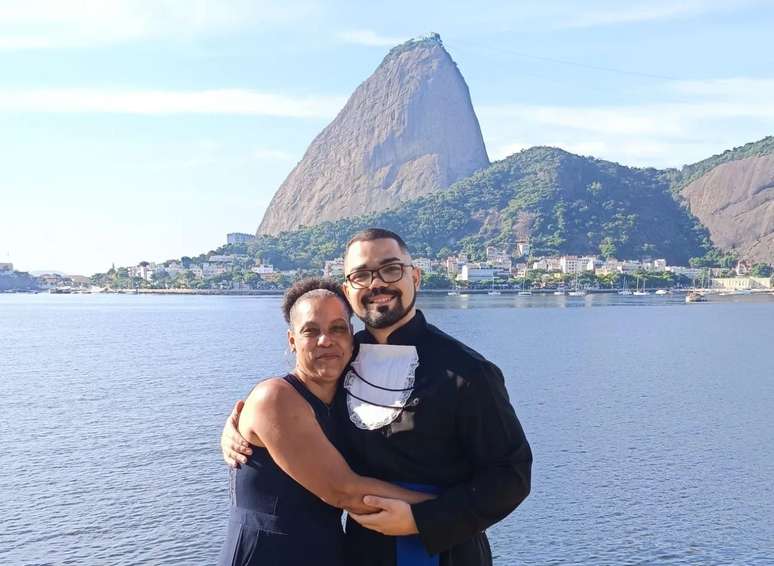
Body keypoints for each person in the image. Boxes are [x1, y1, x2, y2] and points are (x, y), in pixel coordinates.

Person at [222, 229, 532, 566]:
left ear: (415, 276)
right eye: (362, 275)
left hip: (442, 551)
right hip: (360, 551)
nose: (376, 284)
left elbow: (511, 476)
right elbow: (292, 407)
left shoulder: (469, 373)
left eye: (391, 269)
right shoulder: (342, 356)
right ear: (348, 290)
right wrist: (236, 426)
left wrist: (425, 518)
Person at [218, 277, 433, 566]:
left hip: (326, 551)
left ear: (351, 337)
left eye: (337, 329)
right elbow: (343, 490)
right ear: (292, 341)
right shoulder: (275, 398)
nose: (326, 340)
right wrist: (450, 511)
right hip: (266, 555)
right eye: (311, 331)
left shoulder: (350, 396)